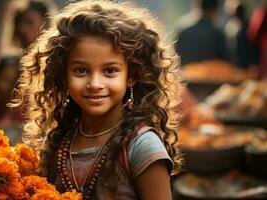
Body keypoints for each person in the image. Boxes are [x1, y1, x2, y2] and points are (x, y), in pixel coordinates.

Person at [11, 0, 183, 199]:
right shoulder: (58, 142)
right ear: (63, 75)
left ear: (132, 75)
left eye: (110, 71)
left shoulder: (141, 146)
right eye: (81, 70)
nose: (94, 83)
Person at [176, 0, 229, 65]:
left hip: (186, 74)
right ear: (215, 11)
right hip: (212, 74)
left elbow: (176, 58)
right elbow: (227, 61)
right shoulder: (217, 34)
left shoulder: (183, 32)